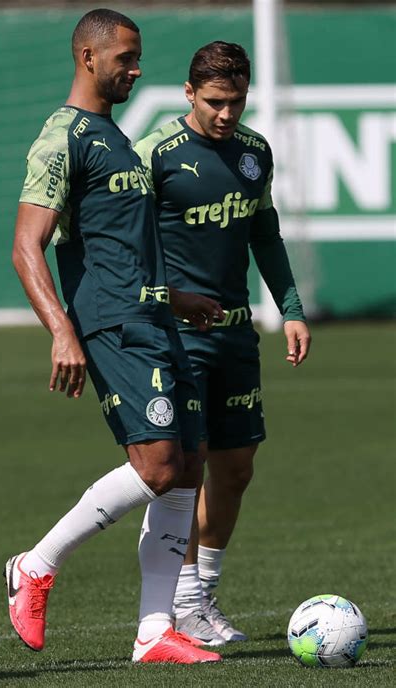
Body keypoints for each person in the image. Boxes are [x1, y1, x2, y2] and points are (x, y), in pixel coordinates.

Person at [5, 10, 223, 664]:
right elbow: (26, 247)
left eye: (137, 57)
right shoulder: (62, 137)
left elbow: (120, 242)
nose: (136, 68)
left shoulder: (114, 138)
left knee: (187, 466)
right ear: (87, 56)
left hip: (153, 318)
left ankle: (155, 631)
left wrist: (174, 297)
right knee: (155, 465)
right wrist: (62, 331)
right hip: (112, 323)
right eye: (126, 58)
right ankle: (35, 566)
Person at [134, 41, 311, 646]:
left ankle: (201, 596)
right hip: (177, 335)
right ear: (189, 93)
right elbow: (121, 238)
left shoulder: (254, 153)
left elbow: (266, 232)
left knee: (236, 468)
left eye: (236, 101)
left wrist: (289, 309)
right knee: (188, 465)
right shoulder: (154, 154)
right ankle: (182, 604)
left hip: (236, 332)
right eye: (214, 101)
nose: (226, 113)